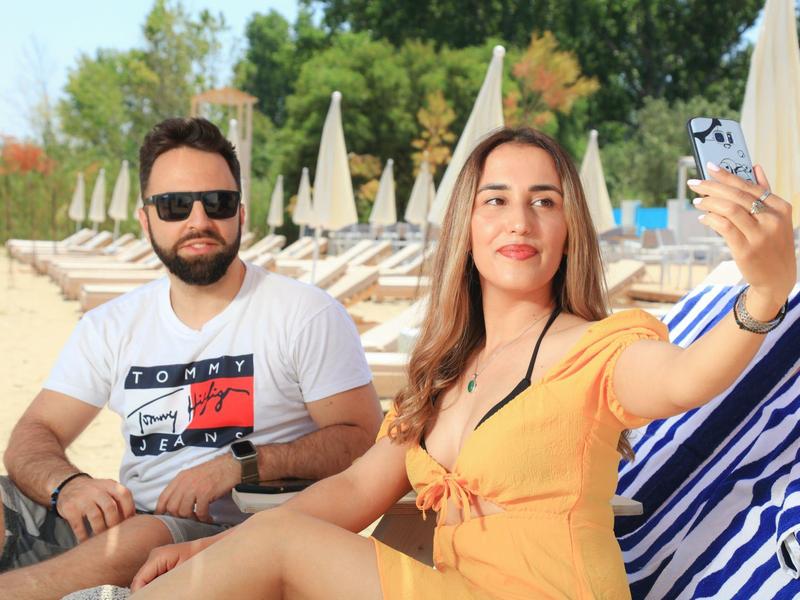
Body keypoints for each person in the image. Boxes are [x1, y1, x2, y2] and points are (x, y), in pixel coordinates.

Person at [128, 127, 796, 599]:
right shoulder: (440, 376)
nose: (521, 221)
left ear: (568, 232)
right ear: (467, 226)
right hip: (453, 587)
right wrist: (214, 552)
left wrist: (765, 292)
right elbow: (356, 491)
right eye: (496, 200)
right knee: (266, 561)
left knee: (279, 549)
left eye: (545, 201)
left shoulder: (597, 348)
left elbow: (686, 379)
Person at [0, 117, 382, 599]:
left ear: (241, 214)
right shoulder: (112, 326)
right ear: (146, 220)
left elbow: (363, 440)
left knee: (139, 537)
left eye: (217, 203)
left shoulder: (304, 314)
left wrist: (241, 463)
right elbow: (32, 437)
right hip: (118, 519)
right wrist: (69, 485)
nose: (198, 221)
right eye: (175, 206)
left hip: (230, 539)